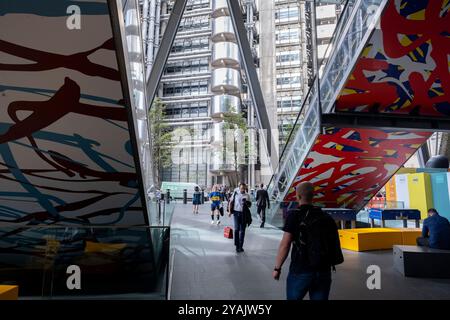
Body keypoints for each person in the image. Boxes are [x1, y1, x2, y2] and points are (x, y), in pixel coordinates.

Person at [272, 182, 343, 300]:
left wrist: (277, 268)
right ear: (313, 196)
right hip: (323, 270)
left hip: (300, 269)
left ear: (298, 196)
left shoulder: (294, 215)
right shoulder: (326, 217)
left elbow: (285, 245)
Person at [228, 183, 251, 253]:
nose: (242, 190)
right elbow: (230, 202)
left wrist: (246, 203)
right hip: (236, 213)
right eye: (241, 188)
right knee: (237, 229)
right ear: (239, 188)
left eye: (244, 188)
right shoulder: (235, 193)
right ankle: (237, 245)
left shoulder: (247, 195)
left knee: (242, 230)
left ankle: (241, 246)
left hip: (243, 214)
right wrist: (229, 211)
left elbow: (249, 206)